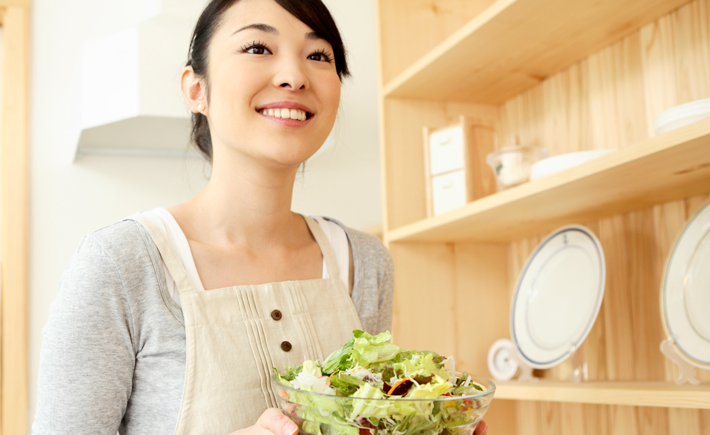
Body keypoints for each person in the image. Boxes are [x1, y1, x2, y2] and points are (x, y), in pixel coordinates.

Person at [32, 1, 487, 434]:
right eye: (257, 48)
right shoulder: (120, 264)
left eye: (318, 55)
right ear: (197, 89)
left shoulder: (364, 262)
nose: (294, 75)